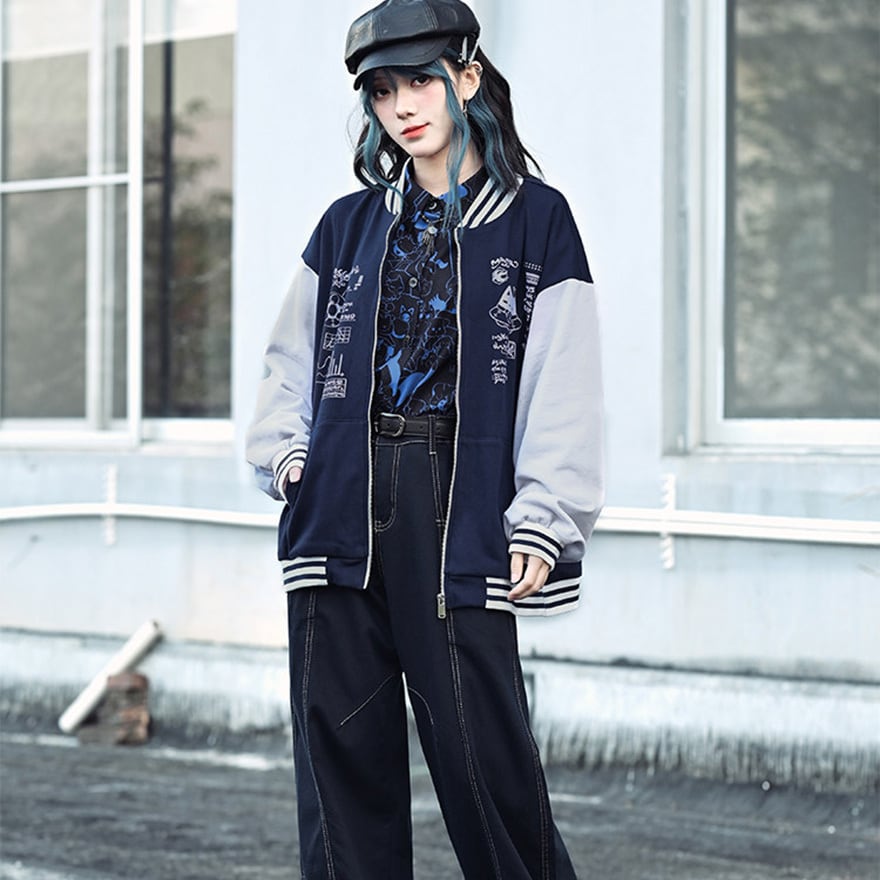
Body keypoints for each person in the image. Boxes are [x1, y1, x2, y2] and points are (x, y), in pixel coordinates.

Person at [246, 0, 604, 876]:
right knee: (341, 776)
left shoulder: (536, 220)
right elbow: (288, 362)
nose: (402, 106)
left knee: (489, 774)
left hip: (459, 508)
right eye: (382, 91)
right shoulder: (347, 226)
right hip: (340, 503)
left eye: (419, 81)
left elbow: (564, 380)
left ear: (467, 77)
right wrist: (291, 461)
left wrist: (544, 518)